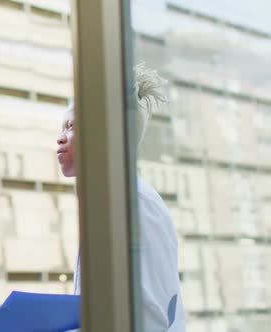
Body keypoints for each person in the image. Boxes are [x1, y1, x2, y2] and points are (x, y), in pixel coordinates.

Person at [56, 63, 186, 331]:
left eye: (71, 126)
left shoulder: (134, 203)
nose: (60, 138)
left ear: (107, 132)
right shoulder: (107, 201)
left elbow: (148, 318)